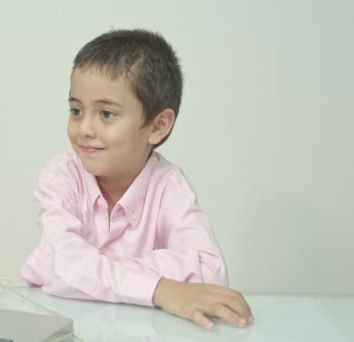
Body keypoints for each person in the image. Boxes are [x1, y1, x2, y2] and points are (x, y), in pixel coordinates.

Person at [21, 29, 253, 330]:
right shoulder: (62, 176)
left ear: (158, 126)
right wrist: (159, 289)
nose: (84, 129)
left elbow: (210, 272)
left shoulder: (169, 185)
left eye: (106, 113)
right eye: (76, 110)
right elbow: (60, 265)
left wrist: (90, 270)